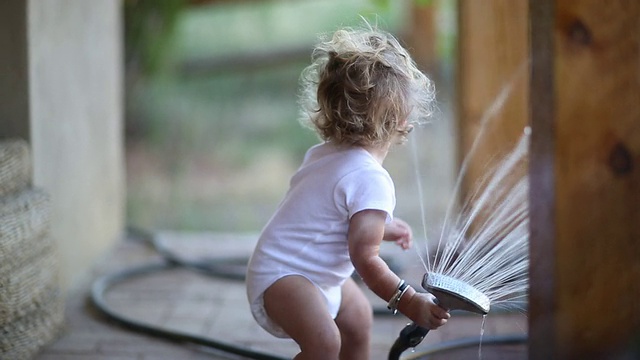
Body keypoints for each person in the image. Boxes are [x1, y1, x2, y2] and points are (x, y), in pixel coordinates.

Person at [246, 24, 449, 360]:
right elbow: (364, 257)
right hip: (285, 275)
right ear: (401, 120)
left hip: (302, 270)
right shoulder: (372, 178)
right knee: (325, 344)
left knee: (357, 319)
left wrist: (385, 225)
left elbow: (338, 212)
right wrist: (409, 300)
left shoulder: (327, 152)